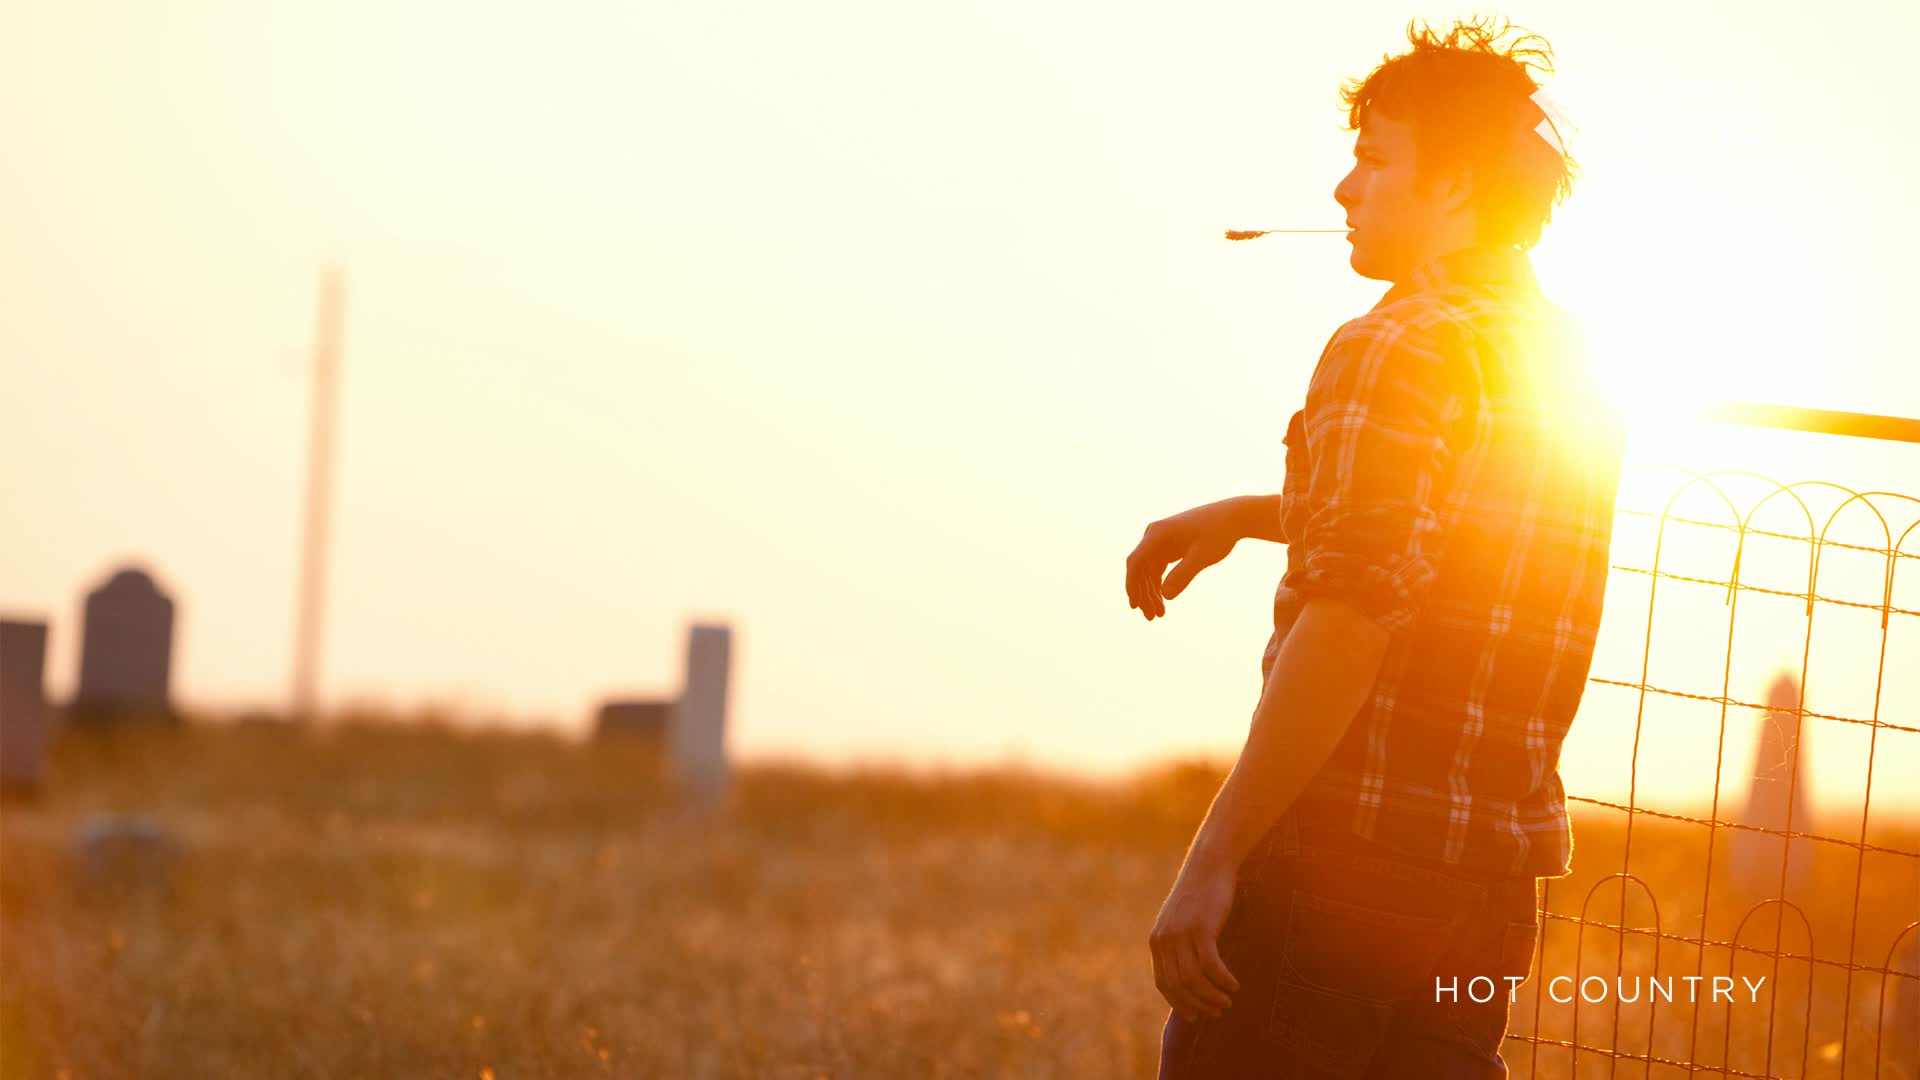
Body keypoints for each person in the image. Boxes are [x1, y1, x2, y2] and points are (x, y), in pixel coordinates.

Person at [1127, 17, 1626, 1079]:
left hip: (1335, 872)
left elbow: (1353, 610)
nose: (1344, 191)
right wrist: (1251, 513)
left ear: (1451, 186)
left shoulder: (1393, 343)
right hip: (1486, 889)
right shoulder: (1564, 356)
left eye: (1372, 159)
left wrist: (1214, 857)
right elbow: (1464, 539)